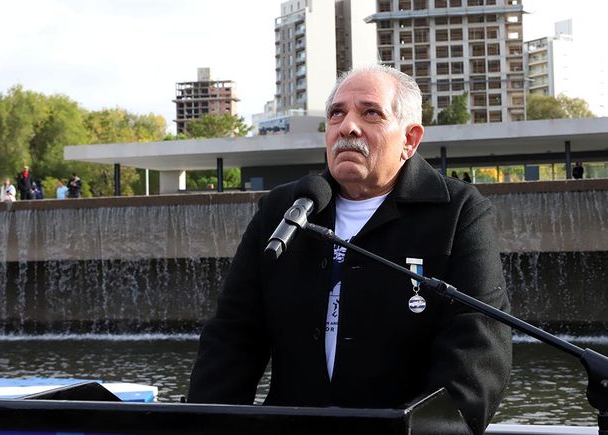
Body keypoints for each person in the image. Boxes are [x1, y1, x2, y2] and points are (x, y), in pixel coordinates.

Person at [188, 64, 511, 435]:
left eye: (370, 112)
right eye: (336, 113)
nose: (347, 127)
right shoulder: (283, 210)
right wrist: (207, 427)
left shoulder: (457, 212)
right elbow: (232, 338)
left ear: (410, 139)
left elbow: (477, 353)